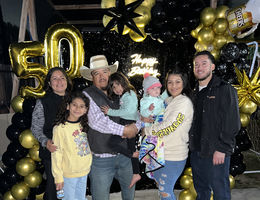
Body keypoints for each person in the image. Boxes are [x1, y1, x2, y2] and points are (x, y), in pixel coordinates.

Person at [80, 55, 140, 200]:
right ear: (91, 77)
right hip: (102, 160)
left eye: (104, 72)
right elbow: (98, 122)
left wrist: (137, 126)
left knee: (129, 195)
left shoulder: (119, 91)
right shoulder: (87, 95)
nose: (102, 76)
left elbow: (135, 112)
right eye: (97, 73)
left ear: (109, 73)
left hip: (125, 156)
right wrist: (126, 130)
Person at [189, 50, 240, 200]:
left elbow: (232, 122)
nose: (199, 67)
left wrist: (222, 148)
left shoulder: (224, 89)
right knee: (201, 191)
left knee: (220, 192)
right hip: (196, 151)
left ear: (212, 67)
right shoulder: (193, 93)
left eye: (204, 63)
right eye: (196, 65)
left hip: (216, 151)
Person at [142, 67, 194, 200]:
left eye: (177, 82)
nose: (173, 86)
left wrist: (146, 131)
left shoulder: (184, 102)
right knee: (161, 189)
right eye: (170, 82)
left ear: (184, 82)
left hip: (174, 155)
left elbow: (169, 127)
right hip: (161, 153)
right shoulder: (169, 100)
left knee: (165, 191)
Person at [31, 67, 73, 200]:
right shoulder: (43, 102)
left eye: (62, 77)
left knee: (72, 187)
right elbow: (35, 128)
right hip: (53, 152)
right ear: (49, 83)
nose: (59, 81)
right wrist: (45, 142)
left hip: (74, 152)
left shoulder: (76, 100)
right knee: (54, 189)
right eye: (54, 78)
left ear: (67, 80)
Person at [100, 72, 141, 188]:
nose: (116, 88)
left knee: (112, 143)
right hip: (126, 123)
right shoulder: (125, 95)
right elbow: (133, 111)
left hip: (127, 123)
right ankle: (136, 173)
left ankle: (133, 162)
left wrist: (110, 112)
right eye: (113, 87)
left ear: (123, 82)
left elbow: (128, 111)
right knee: (130, 148)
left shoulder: (130, 94)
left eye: (118, 84)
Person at [51, 92, 92, 200]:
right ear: (68, 106)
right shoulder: (60, 128)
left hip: (83, 171)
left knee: (81, 198)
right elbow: (56, 154)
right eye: (74, 105)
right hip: (68, 175)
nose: (78, 108)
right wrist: (58, 177)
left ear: (85, 110)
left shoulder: (83, 125)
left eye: (82, 106)